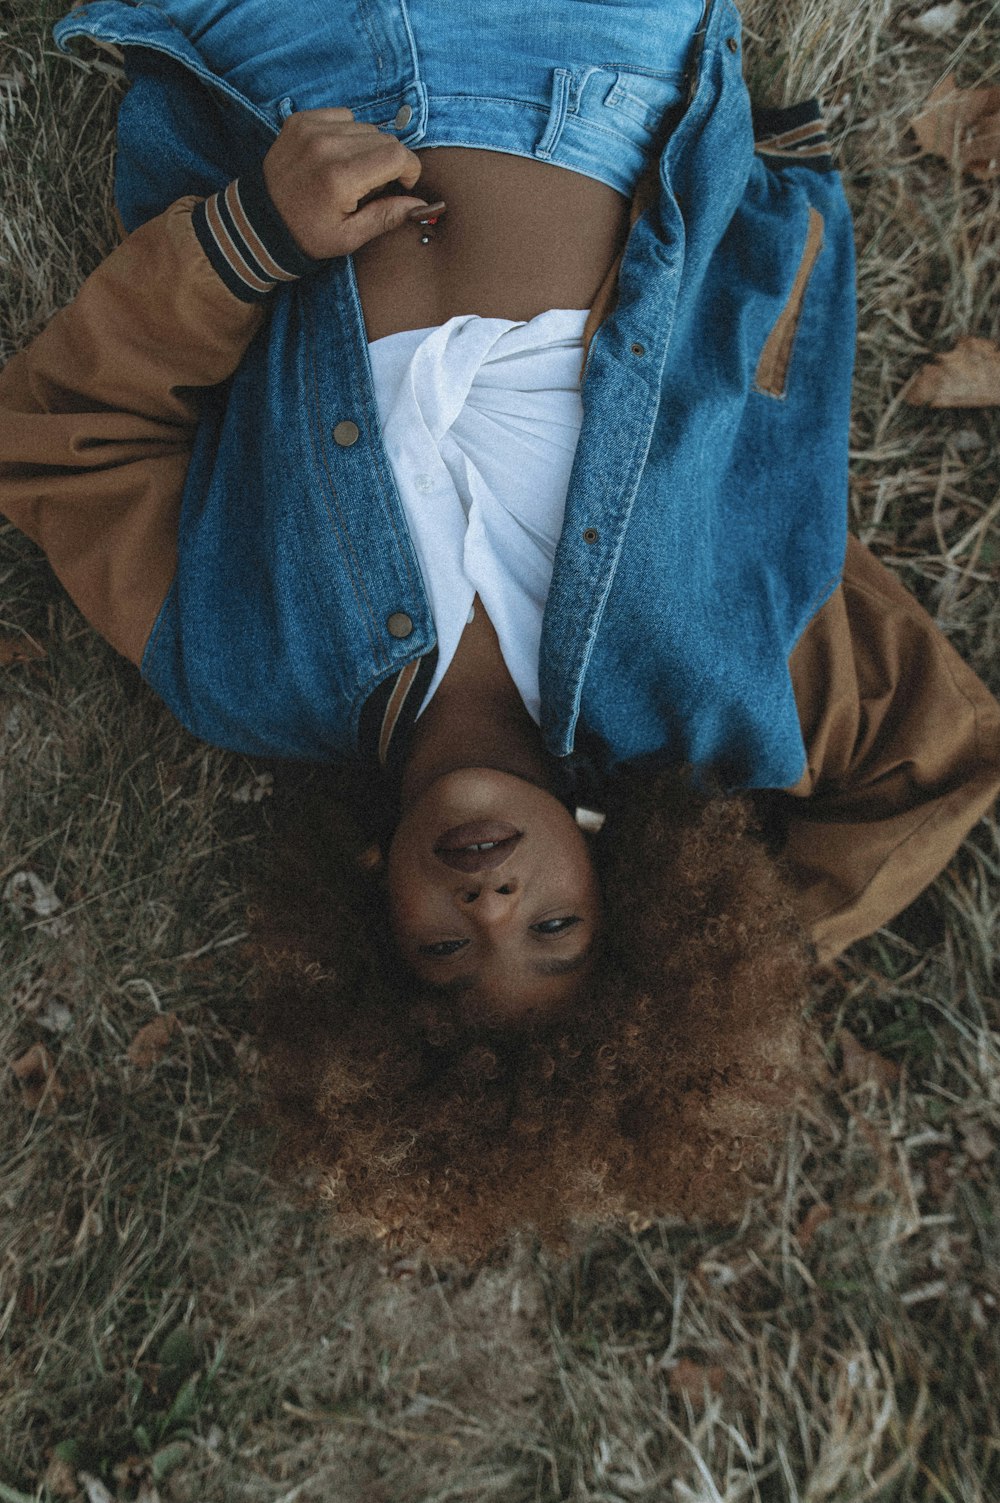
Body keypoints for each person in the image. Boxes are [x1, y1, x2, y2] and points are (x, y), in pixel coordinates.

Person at [2, 0, 998, 1259]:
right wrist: (728, 953)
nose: (489, 899)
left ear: (375, 909)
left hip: (279, 54)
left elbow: (66, 442)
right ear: (608, 887)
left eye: (440, 946)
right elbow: (938, 759)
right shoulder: (709, 683)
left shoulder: (244, 672)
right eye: (554, 930)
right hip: (595, 51)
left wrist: (248, 241)